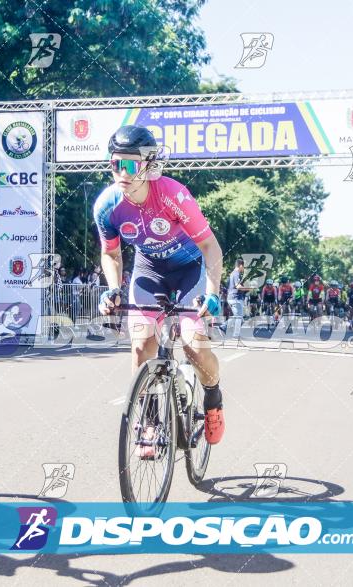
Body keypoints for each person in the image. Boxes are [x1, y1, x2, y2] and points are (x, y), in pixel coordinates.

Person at [95, 125, 226, 449]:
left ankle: (213, 397)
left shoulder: (172, 195)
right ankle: (150, 423)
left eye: (130, 164)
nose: (121, 173)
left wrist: (212, 293)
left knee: (194, 344)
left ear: (150, 165)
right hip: (149, 270)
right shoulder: (107, 206)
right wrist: (112, 289)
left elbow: (210, 247)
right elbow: (111, 253)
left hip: (188, 269)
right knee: (142, 347)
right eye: (115, 164)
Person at [226, 258, 250, 339]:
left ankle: (226, 328)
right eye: (243, 267)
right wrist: (248, 288)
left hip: (233, 297)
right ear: (240, 266)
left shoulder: (233, 273)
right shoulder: (236, 273)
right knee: (239, 317)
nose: (243, 269)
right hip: (235, 297)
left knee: (239, 317)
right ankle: (234, 333)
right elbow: (238, 286)